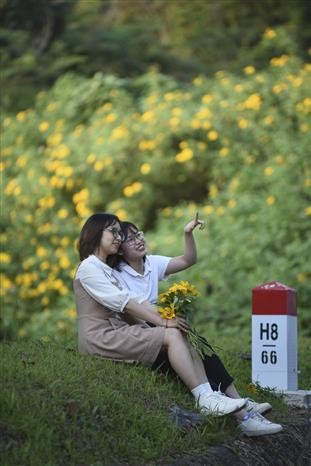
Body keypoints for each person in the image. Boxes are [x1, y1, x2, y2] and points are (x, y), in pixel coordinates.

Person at [111, 214, 283, 437]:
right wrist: (167, 324)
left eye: (138, 234)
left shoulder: (151, 263)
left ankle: (239, 400)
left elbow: (187, 260)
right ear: (121, 250)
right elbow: (133, 314)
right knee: (191, 362)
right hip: (143, 333)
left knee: (201, 347)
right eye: (130, 239)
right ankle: (245, 419)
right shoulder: (119, 275)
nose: (138, 240)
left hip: (162, 326)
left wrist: (187, 233)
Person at [74, 212, 247, 420]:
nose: (118, 238)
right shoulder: (89, 267)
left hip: (116, 331)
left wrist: (164, 323)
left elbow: (136, 303)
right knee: (171, 334)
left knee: (180, 333)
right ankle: (206, 398)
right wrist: (164, 322)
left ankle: (210, 396)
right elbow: (124, 303)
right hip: (99, 338)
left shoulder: (106, 269)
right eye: (114, 232)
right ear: (95, 233)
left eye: (121, 233)